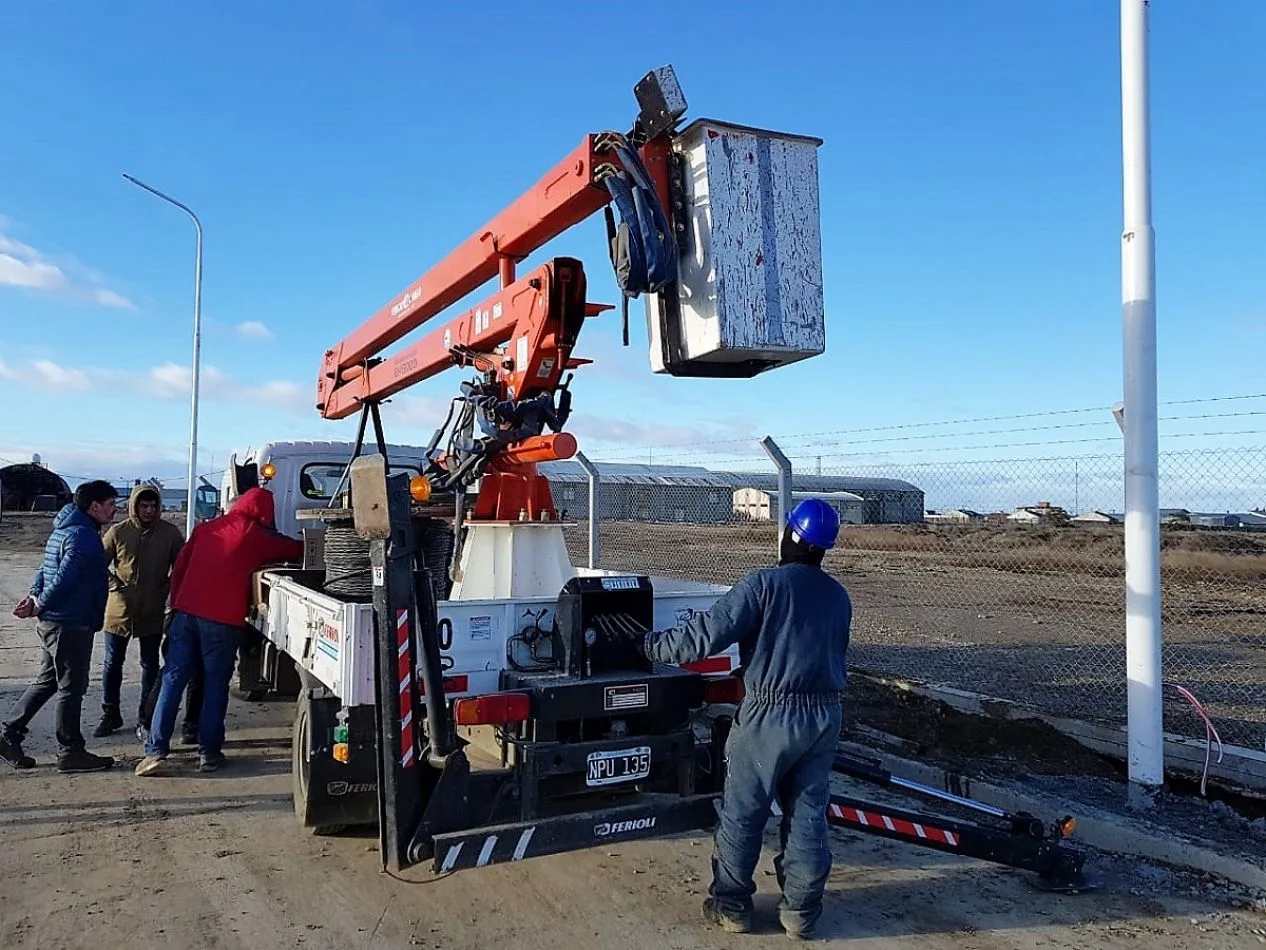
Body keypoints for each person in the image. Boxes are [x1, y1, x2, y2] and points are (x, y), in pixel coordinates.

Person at [637, 498, 851, 940]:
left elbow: (702, 639)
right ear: (823, 547)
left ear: (790, 535)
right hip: (824, 717)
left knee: (744, 811)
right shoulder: (837, 596)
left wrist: (648, 646)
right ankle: (801, 914)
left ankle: (732, 905)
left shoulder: (763, 585)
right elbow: (820, 652)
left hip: (770, 717)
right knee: (809, 813)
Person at [136, 487, 303, 776]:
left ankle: (155, 752)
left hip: (186, 615)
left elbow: (180, 569)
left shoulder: (207, 529)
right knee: (215, 686)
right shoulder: (256, 536)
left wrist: (175, 606)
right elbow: (297, 551)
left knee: (173, 680)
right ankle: (209, 754)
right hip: (222, 623)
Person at [0, 480, 120, 773]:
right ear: (94, 506)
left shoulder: (64, 530)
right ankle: (71, 751)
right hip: (69, 622)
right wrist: (39, 602)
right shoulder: (84, 536)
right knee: (71, 687)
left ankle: (9, 734)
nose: (114, 510)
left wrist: (34, 596)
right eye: (110, 504)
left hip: (57, 620)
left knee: (49, 680)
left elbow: (45, 569)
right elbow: (65, 575)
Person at [93, 483, 185, 738]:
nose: (148, 511)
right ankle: (110, 714)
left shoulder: (169, 533)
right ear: (134, 506)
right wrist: (114, 585)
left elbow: (182, 566)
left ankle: (146, 717)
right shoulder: (118, 532)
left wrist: (165, 589)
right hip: (119, 610)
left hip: (152, 610)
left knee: (150, 664)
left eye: (153, 506)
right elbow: (97, 563)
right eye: (143, 506)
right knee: (112, 664)